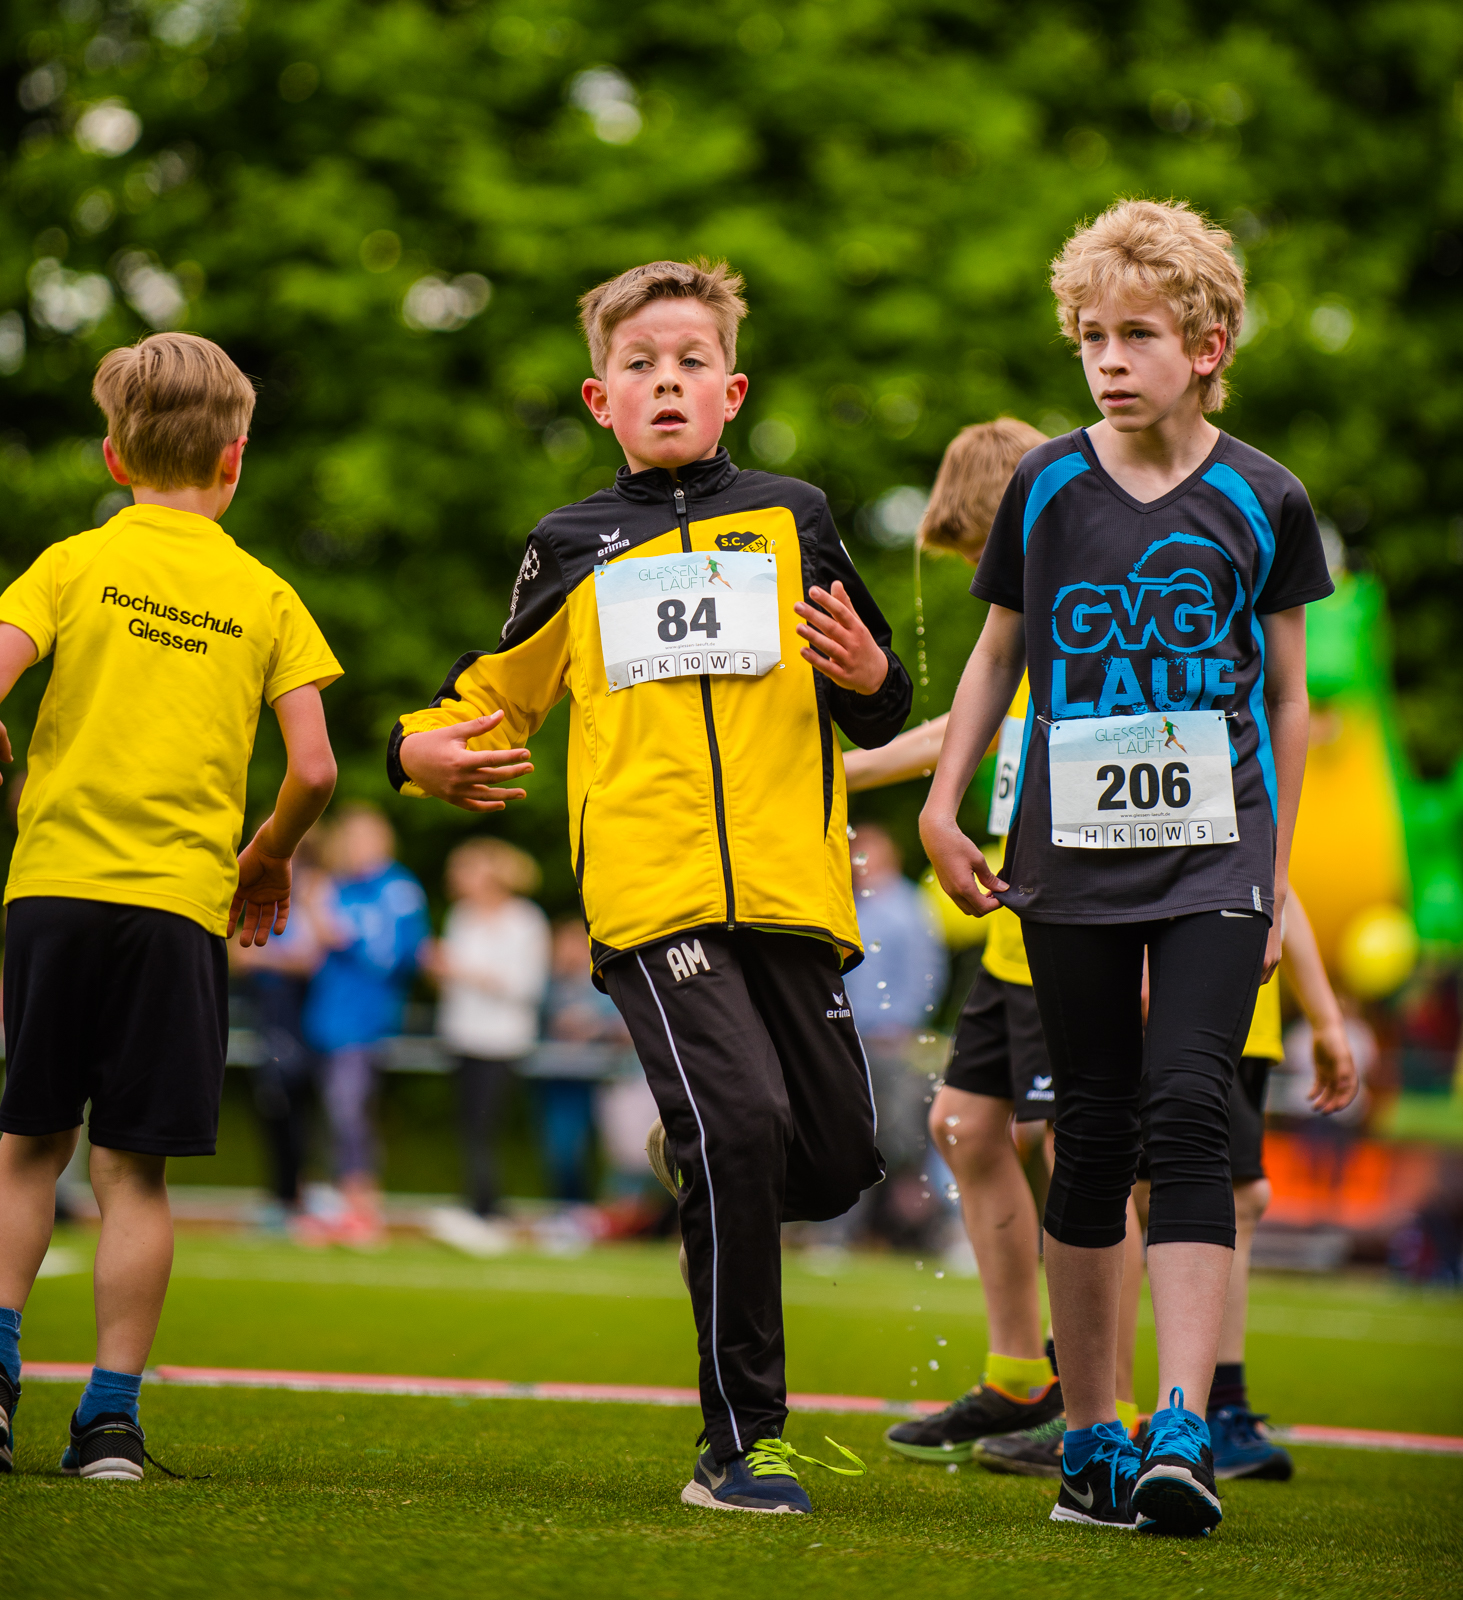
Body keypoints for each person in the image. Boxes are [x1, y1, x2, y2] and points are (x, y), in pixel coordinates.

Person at [387, 258, 910, 1514]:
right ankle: (741, 1444)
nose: (665, 381)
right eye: (639, 364)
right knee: (740, 1130)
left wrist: (869, 672)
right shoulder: (569, 545)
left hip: (792, 892)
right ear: (598, 397)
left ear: (732, 389)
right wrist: (416, 751)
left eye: (689, 362)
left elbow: (878, 697)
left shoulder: (794, 515)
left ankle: (698, 1151)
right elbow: (489, 692)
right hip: (650, 895)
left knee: (836, 1157)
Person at [920, 199, 1341, 1535]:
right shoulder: (1045, 485)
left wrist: (1271, 868)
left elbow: (1287, 700)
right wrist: (939, 804)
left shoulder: (1263, 496)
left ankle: (1180, 1425)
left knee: (1188, 1109)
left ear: (1205, 347)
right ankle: (1088, 1437)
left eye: (1138, 336)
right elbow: (996, 653)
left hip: (1214, 857)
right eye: (1090, 337)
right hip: (1067, 860)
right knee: (1090, 1126)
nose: (1107, 360)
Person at [0, 331, 339, 1481]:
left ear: (113, 457)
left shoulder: (70, 563)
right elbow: (314, 769)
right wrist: (270, 856)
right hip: (178, 909)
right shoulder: (265, 593)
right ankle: (109, 1423)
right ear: (234, 458)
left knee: (26, 1148)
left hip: (53, 891)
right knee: (131, 1171)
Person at [847, 421, 1079, 1459]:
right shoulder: (1021, 624)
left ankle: (1102, 1404)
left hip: (1071, 926)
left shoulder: (1077, 608)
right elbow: (962, 732)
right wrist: (839, 776)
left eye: (980, 545)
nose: (978, 574)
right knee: (964, 1126)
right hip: (1009, 936)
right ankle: (1019, 1377)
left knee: (1074, 1151)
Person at [1121, 890, 1357, 1481]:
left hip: (1245, 1019)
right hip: (1189, 1005)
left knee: (1230, 1196)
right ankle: (1108, 1409)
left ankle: (1213, 1407)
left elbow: (1282, 890)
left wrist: (1326, 1019)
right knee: (1138, 1190)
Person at [299, 805, 429, 1249]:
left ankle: (363, 1208)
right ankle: (337, 1205)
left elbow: (392, 955)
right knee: (331, 1114)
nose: (351, 847)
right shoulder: (339, 886)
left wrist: (332, 930)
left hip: (365, 1020)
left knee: (349, 1110)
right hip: (326, 1017)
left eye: (360, 838)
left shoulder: (398, 890)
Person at [430, 837, 550, 1219]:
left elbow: (527, 986)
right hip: (461, 1035)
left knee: (486, 1126)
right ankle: (479, 1202)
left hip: (503, 1040)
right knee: (468, 1126)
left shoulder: (526, 921)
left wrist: (462, 972)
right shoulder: (460, 915)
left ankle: (486, 1207)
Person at [842, 822, 947, 1224]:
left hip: (890, 1039)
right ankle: (851, 1228)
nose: (857, 861)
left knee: (902, 1136)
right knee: (858, 1131)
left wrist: (904, 1022)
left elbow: (926, 973)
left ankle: (924, 1226)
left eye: (864, 852)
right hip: (853, 1036)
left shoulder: (908, 907)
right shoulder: (853, 904)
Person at [231, 829, 327, 1226]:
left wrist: (265, 960)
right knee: (274, 1099)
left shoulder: (317, 890)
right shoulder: (266, 885)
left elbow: (312, 958)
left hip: (304, 1012)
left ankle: (298, 1193)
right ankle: (283, 1194)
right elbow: (238, 952)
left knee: (298, 1100)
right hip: (269, 1011)